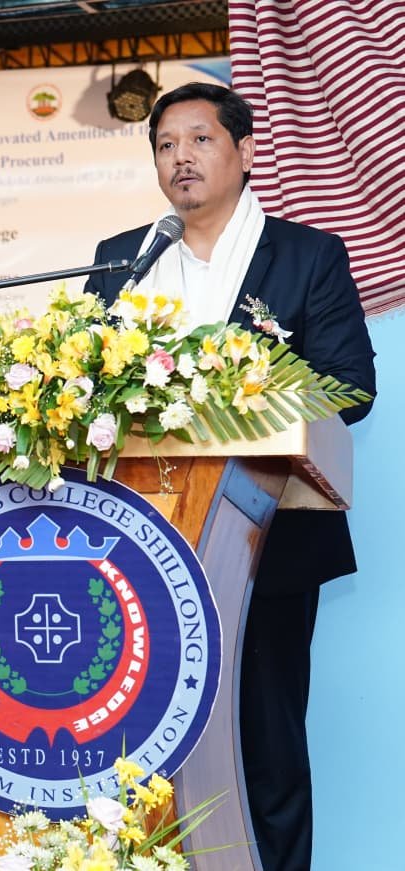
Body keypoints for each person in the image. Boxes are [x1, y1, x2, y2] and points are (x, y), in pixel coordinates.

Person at [84, 82, 376, 871]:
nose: (179, 157)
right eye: (164, 145)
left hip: (266, 544)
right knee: (136, 742)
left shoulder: (307, 255)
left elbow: (350, 386)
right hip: (137, 544)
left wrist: (236, 395)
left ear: (244, 152)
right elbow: (81, 385)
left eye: (199, 139)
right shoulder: (120, 260)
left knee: (263, 744)